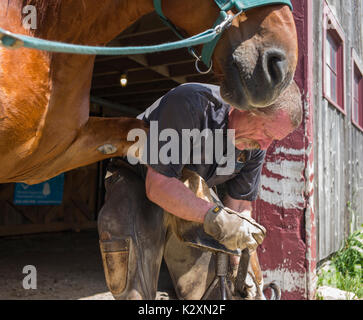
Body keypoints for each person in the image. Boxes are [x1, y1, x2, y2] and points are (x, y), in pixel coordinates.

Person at [98, 82, 302, 300]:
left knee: (214, 290)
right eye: (266, 132)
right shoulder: (192, 103)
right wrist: (217, 218)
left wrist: (245, 268)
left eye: (273, 139)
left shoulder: (255, 146)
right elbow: (159, 184)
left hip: (190, 192)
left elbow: (240, 206)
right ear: (245, 107)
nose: (264, 145)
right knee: (134, 290)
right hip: (137, 178)